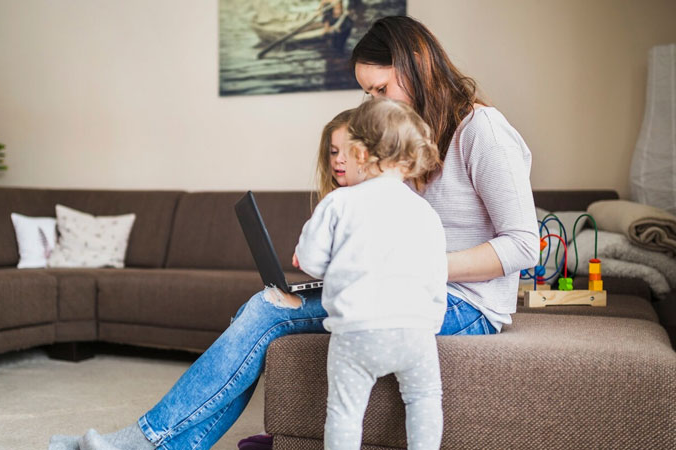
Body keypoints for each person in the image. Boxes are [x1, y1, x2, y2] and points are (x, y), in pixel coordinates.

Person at [50, 14, 538, 450]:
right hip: (399, 285)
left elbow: (524, 244)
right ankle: (157, 443)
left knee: (267, 312)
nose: (373, 103)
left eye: (381, 90)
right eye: (367, 93)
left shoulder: (483, 131)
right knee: (266, 300)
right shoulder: (405, 140)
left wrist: (414, 266)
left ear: (415, 67)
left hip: (464, 302)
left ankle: (143, 443)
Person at [294, 97, 447, 450]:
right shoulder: (425, 212)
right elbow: (437, 274)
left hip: (357, 332)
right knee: (424, 400)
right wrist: (430, 322)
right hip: (416, 333)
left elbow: (312, 262)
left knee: (345, 412)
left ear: (361, 154)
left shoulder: (338, 202)